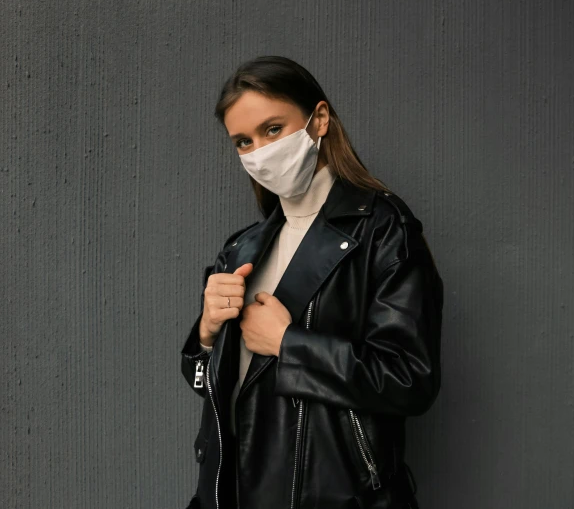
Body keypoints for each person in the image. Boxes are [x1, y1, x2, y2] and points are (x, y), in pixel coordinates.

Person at [181, 55, 443, 509]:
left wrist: (289, 343)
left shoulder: (382, 229)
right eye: (243, 141)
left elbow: (409, 379)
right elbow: (208, 385)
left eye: (273, 129)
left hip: (328, 494)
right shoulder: (242, 249)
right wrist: (205, 335)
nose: (259, 152)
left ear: (318, 120)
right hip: (233, 493)